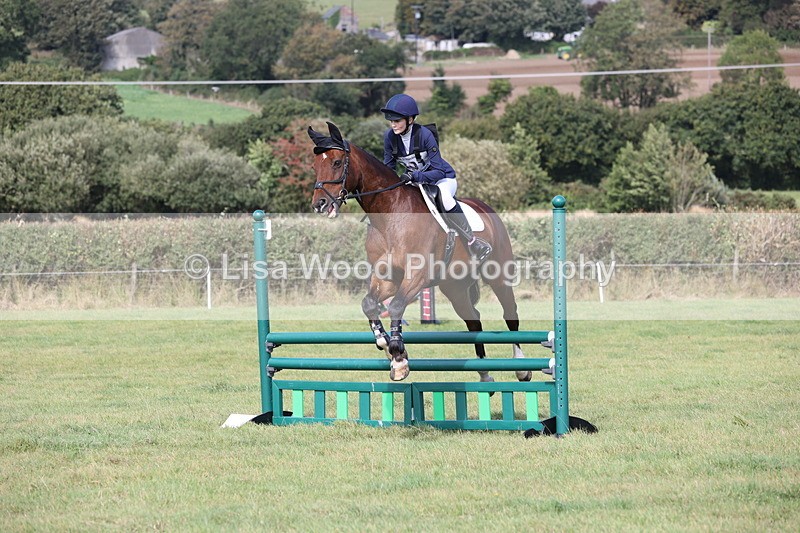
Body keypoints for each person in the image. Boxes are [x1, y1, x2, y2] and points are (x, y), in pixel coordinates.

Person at [380, 93, 492, 263]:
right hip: (417, 183)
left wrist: (414, 176)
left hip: (442, 179)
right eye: (391, 121)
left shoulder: (424, 135)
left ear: (410, 120)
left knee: (445, 199)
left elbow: (438, 170)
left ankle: (473, 242)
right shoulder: (390, 138)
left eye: (397, 120)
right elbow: (388, 168)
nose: (393, 124)